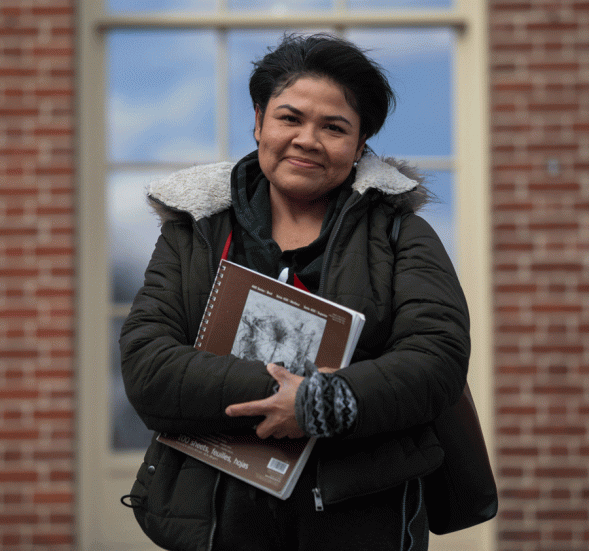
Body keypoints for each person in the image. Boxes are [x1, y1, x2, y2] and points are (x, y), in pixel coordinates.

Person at [120, 33, 470, 551]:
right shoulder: (194, 230)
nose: (308, 139)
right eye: (290, 118)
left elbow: (436, 358)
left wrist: (322, 404)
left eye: (334, 127)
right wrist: (281, 395)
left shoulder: (401, 234)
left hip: (362, 521)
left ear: (359, 146)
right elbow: (148, 365)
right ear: (259, 122)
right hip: (215, 524)